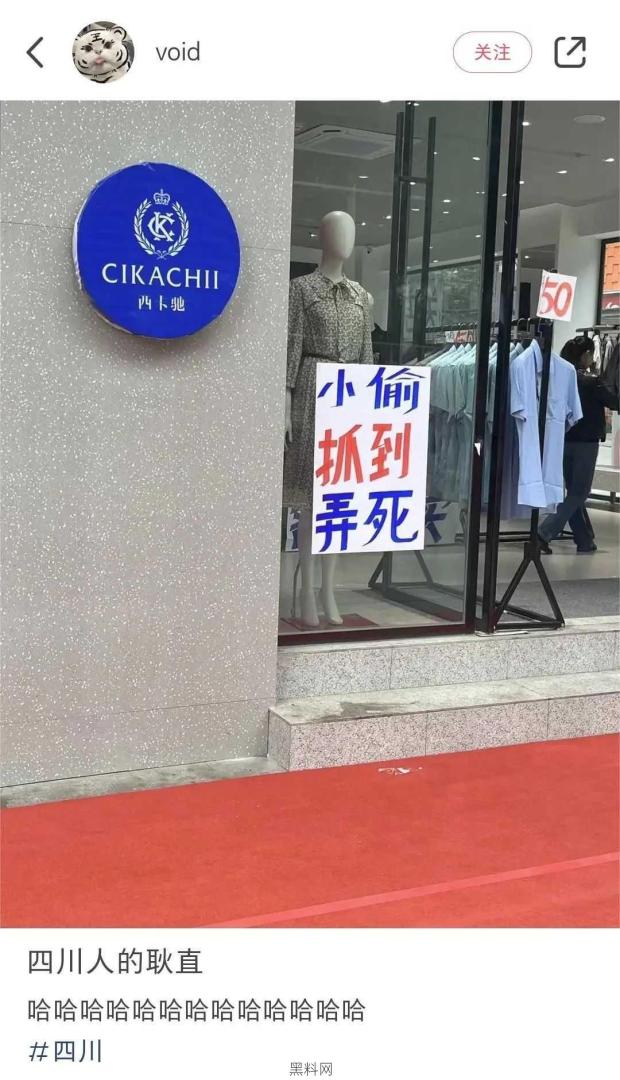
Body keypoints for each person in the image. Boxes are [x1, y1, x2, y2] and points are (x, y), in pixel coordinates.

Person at [539, 336, 619, 553]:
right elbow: (614, 401)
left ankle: (584, 540)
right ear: (586, 355)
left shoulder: (560, 377)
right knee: (579, 492)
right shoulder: (592, 381)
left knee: (574, 492)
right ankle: (543, 533)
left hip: (564, 439)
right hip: (586, 443)